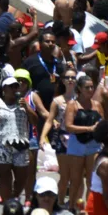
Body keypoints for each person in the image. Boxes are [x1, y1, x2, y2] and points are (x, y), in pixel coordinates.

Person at [0, 76, 34, 202]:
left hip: (20, 143)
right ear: (4, 89)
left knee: (22, 176)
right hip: (1, 144)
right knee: (5, 176)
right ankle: (8, 203)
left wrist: (27, 108)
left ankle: (14, 197)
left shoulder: (23, 103)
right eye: (11, 86)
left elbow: (35, 121)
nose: (14, 89)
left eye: (16, 86)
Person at [39, 66, 78, 207]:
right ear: (62, 81)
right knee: (65, 175)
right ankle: (60, 202)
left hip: (79, 139)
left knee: (77, 176)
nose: (70, 80)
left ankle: (75, 204)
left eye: (73, 77)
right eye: (67, 77)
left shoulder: (80, 98)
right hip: (63, 140)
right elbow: (49, 120)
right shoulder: (57, 101)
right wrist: (43, 137)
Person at [63, 74, 104, 207]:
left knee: (92, 181)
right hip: (76, 145)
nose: (91, 90)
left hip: (93, 145)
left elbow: (102, 124)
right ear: (79, 89)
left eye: (92, 87)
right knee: (76, 181)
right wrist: (89, 128)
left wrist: (101, 128)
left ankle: (90, 210)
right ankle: (72, 208)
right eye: (87, 87)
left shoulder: (97, 105)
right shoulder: (72, 105)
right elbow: (69, 127)